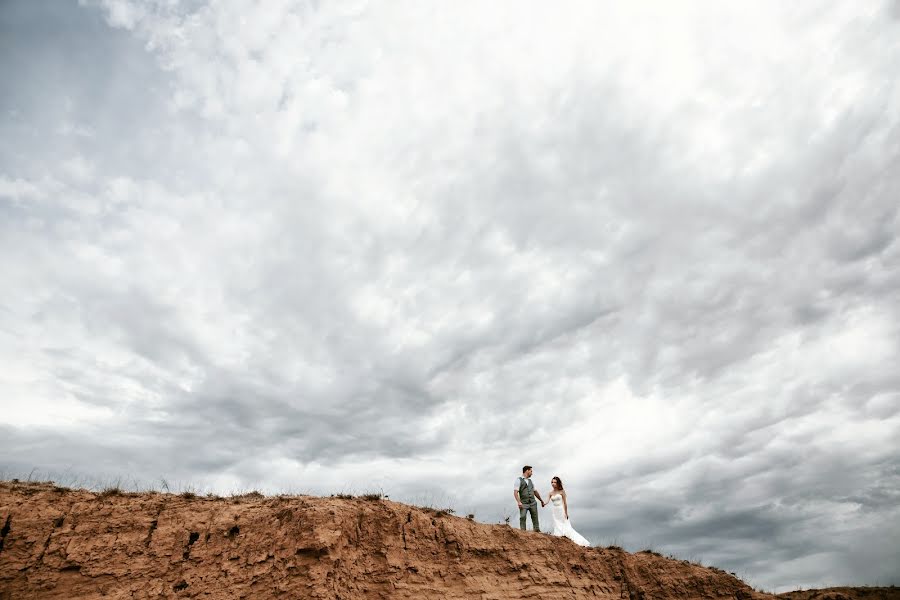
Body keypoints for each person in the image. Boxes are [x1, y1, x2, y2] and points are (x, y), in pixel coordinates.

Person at [546, 476, 590, 546]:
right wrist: (543, 503)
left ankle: (570, 538)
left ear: (558, 483)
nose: (553, 483)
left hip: (561, 510)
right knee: (557, 524)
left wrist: (566, 513)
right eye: (552, 482)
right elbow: (547, 501)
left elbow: (565, 503)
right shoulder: (550, 493)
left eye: (555, 482)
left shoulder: (562, 491)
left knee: (565, 525)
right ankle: (558, 536)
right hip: (554, 510)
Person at [514, 465, 545, 532]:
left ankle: (537, 531)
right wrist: (519, 502)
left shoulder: (531, 481)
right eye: (531, 471)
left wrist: (541, 500)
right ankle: (523, 532)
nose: (532, 473)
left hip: (533, 503)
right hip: (523, 503)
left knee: (535, 517)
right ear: (527, 471)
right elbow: (515, 492)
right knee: (522, 517)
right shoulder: (518, 480)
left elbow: (535, 492)